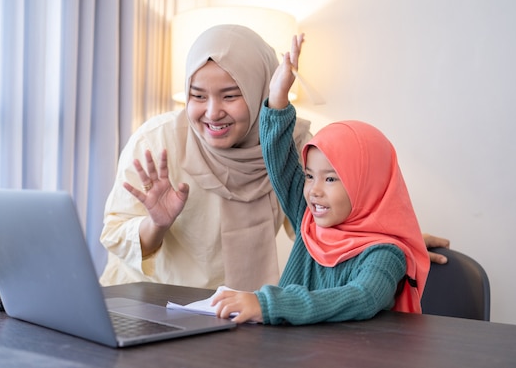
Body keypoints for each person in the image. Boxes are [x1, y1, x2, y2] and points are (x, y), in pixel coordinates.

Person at [99, 25, 448, 292]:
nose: (212, 112)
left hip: (243, 315)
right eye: (198, 95)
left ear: (258, 88)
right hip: (153, 306)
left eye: (230, 95)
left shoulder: (293, 146)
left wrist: (383, 240)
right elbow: (115, 235)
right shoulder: (157, 143)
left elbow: (316, 226)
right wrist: (156, 224)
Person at [212, 35, 430, 324]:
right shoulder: (309, 221)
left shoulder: (385, 254)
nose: (313, 191)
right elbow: (278, 158)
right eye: (309, 176)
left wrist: (268, 304)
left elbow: (362, 297)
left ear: (367, 187)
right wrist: (278, 97)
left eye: (331, 180)